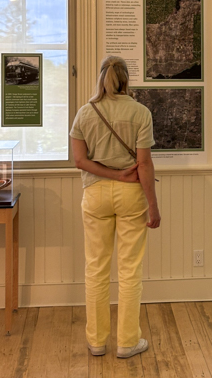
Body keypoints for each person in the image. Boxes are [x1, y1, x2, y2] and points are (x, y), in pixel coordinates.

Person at [70, 55, 160, 359]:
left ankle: (96, 341)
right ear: (126, 79)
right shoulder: (140, 112)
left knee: (95, 268)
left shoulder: (84, 113)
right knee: (129, 269)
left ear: (101, 78)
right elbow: (144, 163)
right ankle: (127, 342)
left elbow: (80, 161)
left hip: (94, 193)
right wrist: (153, 205)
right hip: (131, 194)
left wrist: (110, 174)